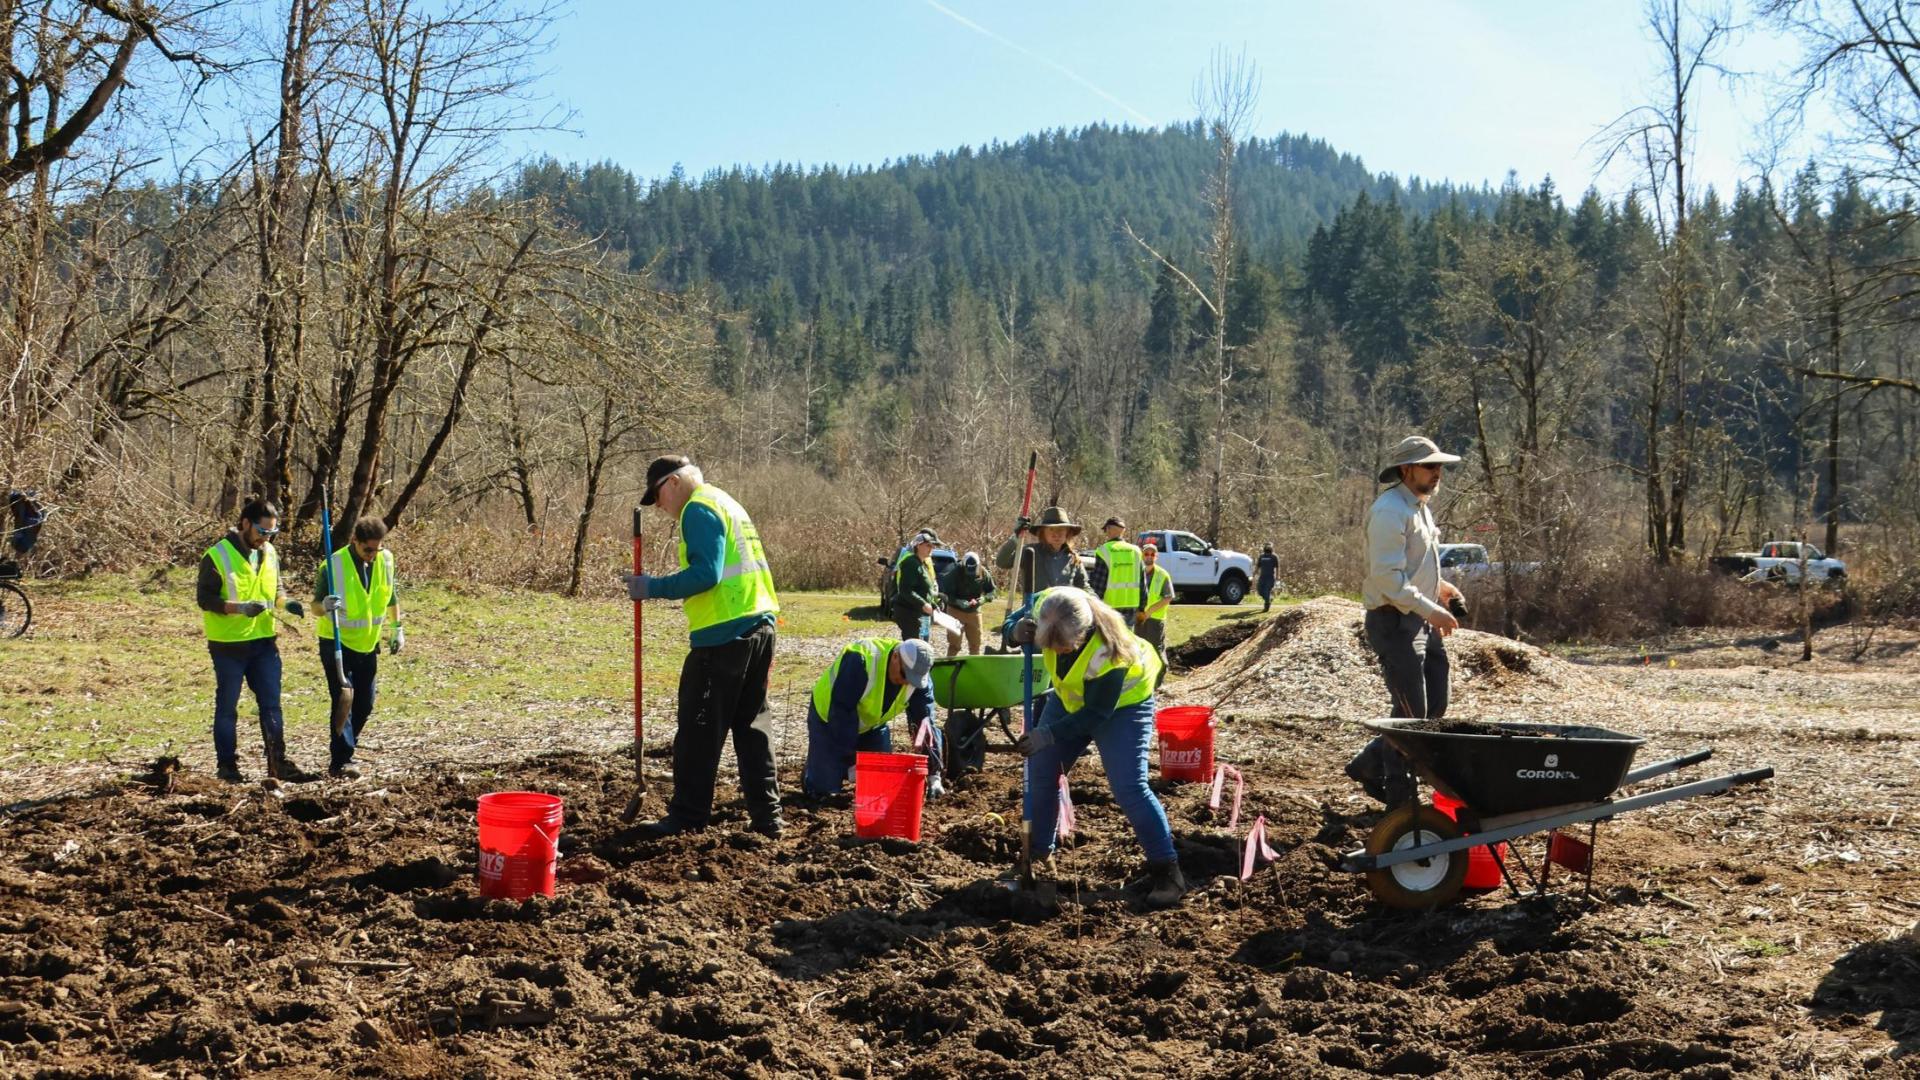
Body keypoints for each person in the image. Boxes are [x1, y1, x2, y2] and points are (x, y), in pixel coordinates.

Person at [623, 456, 784, 838]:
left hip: (723, 636)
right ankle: (768, 819)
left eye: (658, 495)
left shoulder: (697, 509)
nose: (659, 506)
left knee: (698, 730)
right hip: (760, 626)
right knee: (752, 727)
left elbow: (706, 574)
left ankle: (687, 817)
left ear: (674, 482)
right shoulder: (726, 502)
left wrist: (652, 587)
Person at [1010, 587, 1184, 907]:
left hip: (1123, 708)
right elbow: (1013, 620)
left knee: (1129, 786)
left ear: (1082, 633)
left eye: (1063, 648)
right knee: (1042, 771)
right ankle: (1038, 856)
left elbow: (1095, 714)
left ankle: (1167, 870)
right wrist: (1014, 630)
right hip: (1068, 698)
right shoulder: (1049, 603)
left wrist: (1047, 734)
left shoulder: (1111, 652)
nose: (1058, 653)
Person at [1346, 436, 1467, 806]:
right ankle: (1401, 799)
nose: (1437, 473)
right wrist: (1430, 608)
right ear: (1406, 470)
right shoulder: (1389, 511)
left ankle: (1368, 764)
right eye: (1430, 466)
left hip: (1420, 618)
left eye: (1439, 466)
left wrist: (1441, 588)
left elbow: (1412, 568)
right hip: (1394, 622)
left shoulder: (1419, 507)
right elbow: (1387, 579)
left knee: (1434, 708)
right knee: (1411, 718)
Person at [195, 496, 312, 783]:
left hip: (263, 642)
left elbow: (276, 590)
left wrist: (287, 604)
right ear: (245, 524)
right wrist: (240, 608)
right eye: (262, 532)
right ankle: (227, 768)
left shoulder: (269, 553)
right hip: (228, 645)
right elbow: (205, 599)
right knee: (227, 708)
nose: (267, 538)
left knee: (272, 705)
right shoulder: (217, 555)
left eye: (272, 533)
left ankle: (278, 764)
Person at [314, 516, 404, 781]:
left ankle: (345, 750)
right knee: (345, 699)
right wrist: (325, 606)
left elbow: (391, 595)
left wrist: (397, 627)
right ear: (355, 542)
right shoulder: (333, 565)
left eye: (378, 549)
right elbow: (315, 606)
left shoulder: (385, 560)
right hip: (336, 643)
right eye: (368, 550)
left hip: (367, 643)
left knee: (365, 703)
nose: (373, 555)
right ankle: (342, 761)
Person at [801, 637, 945, 800]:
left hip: (872, 725)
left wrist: (934, 774)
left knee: (881, 784)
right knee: (823, 792)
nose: (906, 682)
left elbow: (925, 723)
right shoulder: (861, 660)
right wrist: (850, 760)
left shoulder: (918, 679)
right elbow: (842, 713)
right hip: (829, 719)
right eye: (905, 674)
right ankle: (811, 774)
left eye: (912, 679)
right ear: (896, 656)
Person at [993, 505, 1089, 600]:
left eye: (1061, 529)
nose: (1056, 534)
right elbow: (1002, 562)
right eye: (1051, 529)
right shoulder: (1030, 552)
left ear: (1067, 533)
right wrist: (1015, 537)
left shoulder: (1073, 558)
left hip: (1065, 612)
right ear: (1043, 532)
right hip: (1034, 611)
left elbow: (1084, 587)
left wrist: (1095, 603)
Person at [939, 552, 995, 656]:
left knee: (976, 645)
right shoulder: (953, 573)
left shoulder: (983, 572)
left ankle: (974, 668)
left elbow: (992, 591)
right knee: (954, 645)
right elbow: (944, 595)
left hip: (974, 612)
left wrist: (983, 599)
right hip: (955, 611)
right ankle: (950, 666)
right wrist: (957, 601)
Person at [1088, 516, 1143, 621]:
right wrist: (1142, 607)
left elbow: (1098, 584)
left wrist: (1093, 606)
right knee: (1127, 637)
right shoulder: (1136, 551)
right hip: (1132, 606)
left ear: (1108, 529)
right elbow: (1143, 582)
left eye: (1106, 530)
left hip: (1109, 607)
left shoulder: (1104, 551)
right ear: (1123, 531)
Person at [890, 529, 942, 642]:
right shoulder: (910, 563)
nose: (931, 548)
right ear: (918, 546)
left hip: (918, 612)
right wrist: (923, 604)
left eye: (933, 546)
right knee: (914, 647)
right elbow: (905, 590)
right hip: (908, 611)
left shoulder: (922, 563)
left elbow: (923, 590)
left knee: (922, 644)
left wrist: (932, 604)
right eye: (928, 545)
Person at [1134, 543, 1175, 682]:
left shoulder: (1163, 575)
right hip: (1138, 618)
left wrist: (1150, 611)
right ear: (1142, 555)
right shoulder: (1136, 573)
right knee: (1139, 650)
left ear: (1156, 557)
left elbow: (1168, 597)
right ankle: (1144, 680)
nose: (1149, 556)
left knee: (1156, 650)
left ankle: (1159, 681)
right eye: (1146, 554)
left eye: (1152, 554)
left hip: (1155, 619)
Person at [1256, 542, 1280, 613]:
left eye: (1269, 546)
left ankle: (1266, 606)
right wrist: (1254, 574)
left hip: (1270, 577)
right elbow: (1258, 566)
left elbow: (1277, 567)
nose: (1268, 547)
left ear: (1271, 548)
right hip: (1262, 577)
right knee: (1259, 590)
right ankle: (1269, 598)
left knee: (1266, 591)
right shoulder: (1261, 556)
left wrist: (1278, 576)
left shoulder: (1274, 557)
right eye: (1266, 546)